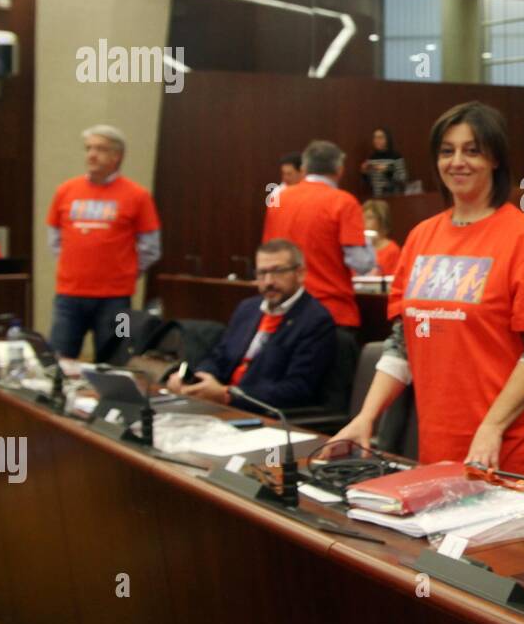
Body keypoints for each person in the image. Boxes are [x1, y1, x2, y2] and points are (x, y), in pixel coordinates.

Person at [330, 102, 524, 475]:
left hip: (508, 448)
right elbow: (402, 342)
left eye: (472, 150)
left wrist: (493, 425)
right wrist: (367, 417)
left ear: (495, 158)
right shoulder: (420, 237)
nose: (458, 161)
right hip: (439, 445)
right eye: (447, 150)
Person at [171, 239, 336, 413]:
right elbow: (220, 356)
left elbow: (296, 389)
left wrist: (228, 395)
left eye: (278, 272)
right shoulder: (247, 308)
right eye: (261, 273)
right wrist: (197, 379)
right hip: (219, 406)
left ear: (300, 273)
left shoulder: (315, 319)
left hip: (259, 413)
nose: (268, 281)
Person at [46, 125, 162, 358]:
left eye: (100, 149)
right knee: (57, 360)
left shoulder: (137, 195)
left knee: (113, 360)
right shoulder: (66, 190)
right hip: (69, 295)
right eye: (88, 148)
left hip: (115, 298)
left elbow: (151, 248)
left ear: (116, 156)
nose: (91, 154)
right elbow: (55, 240)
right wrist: (77, 264)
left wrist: (125, 271)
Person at [263, 140, 374, 332]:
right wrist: (369, 241)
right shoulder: (344, 202)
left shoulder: (277, 200)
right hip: (330, 314)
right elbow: (362, 263)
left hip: (283, 312)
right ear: (339, 170)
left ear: (304, 168)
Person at [360, 127, 407, 197]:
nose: (376, 140)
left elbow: (403, 179)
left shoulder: (395, 156)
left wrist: (387, 171)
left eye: (380, 137)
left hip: (394, 198)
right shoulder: (371, 158)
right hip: (377, 198)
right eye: (375, 138)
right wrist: (364, 173)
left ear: (387, 139)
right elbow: (368, 183)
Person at [362, 199, 402, 276]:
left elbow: (395, 281)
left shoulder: (392, 250)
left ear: (381, 220)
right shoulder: (359, 249)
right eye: (362, 217)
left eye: (369, 217)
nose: (363, 221)